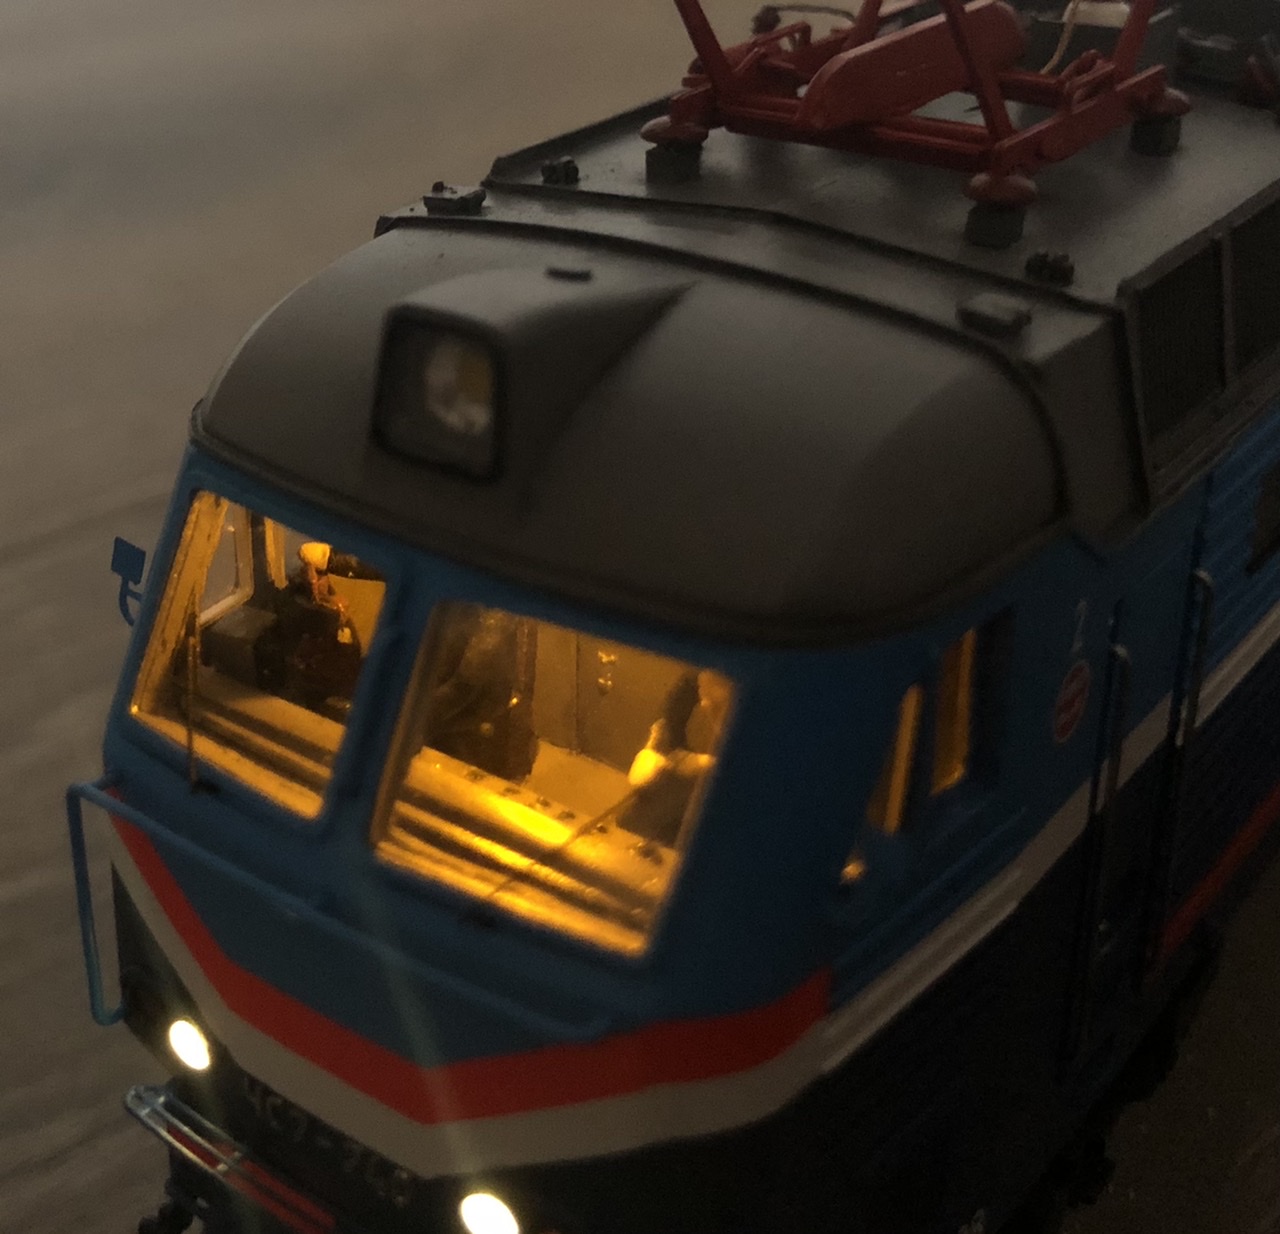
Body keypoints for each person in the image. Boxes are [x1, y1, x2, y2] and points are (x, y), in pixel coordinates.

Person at [620, 668, 732, 846]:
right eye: (702, 693)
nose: (704, 704)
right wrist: (656, 751)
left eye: (717, 706)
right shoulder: (697, 677)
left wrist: (705, 765)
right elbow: (672, 711)